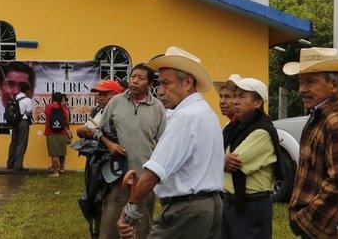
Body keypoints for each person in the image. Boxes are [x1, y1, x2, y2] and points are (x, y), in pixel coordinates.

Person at [117, 47, 224, 239]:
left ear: (188, 83)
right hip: (211, 206)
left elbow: (154, 173)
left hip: (187, 211)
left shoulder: (185, 117)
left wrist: (130, 210)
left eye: (166, 84)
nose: (160, 91)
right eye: (159, 84)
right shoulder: (206, 113)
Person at [284, 47, 338, 238]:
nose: (302, 90)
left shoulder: (337, 121)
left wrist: (308, 220)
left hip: (333, 229)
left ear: (333, 85)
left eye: (310, 82)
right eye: (301, 82)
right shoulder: (324, 115)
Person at [86, 64, 165, 239]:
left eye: (141, 78)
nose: (135, 80)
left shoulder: (158, 108)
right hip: (117, 176)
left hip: (145, 179)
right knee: (110, 228)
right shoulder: (116, 101)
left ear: (150, 84)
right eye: (133, 76)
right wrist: (109, 144)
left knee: (142, 229)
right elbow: (98, 130)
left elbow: (162, 143)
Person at [221, 75, 279, 239]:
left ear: (258, 103)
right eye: (234, 96)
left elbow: (235, 162)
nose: (235, 102)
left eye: (241, 96)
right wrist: (220, 158)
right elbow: (217, 156)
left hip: (252, 206)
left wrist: (218, 158)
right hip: (232, 202)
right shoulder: (233, 127)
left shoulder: (262, 131)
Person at [6, 79, 35, 172]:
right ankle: (18, 165)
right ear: (27, 90)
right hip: (23, 122)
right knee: (21, 143)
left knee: (13, 142)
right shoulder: (27, 100)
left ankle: (10, 163)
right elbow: (29, 113)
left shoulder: (14, 98)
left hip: (15, 122)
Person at [44, 92, 71, 177]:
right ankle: (62, 168)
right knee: (62, 152)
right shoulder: (64, 108)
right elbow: (67, 121)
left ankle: (55, 172)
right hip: (62, 132)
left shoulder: (48, 106)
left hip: (51, 133)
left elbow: (46, 114)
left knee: (54, 154)